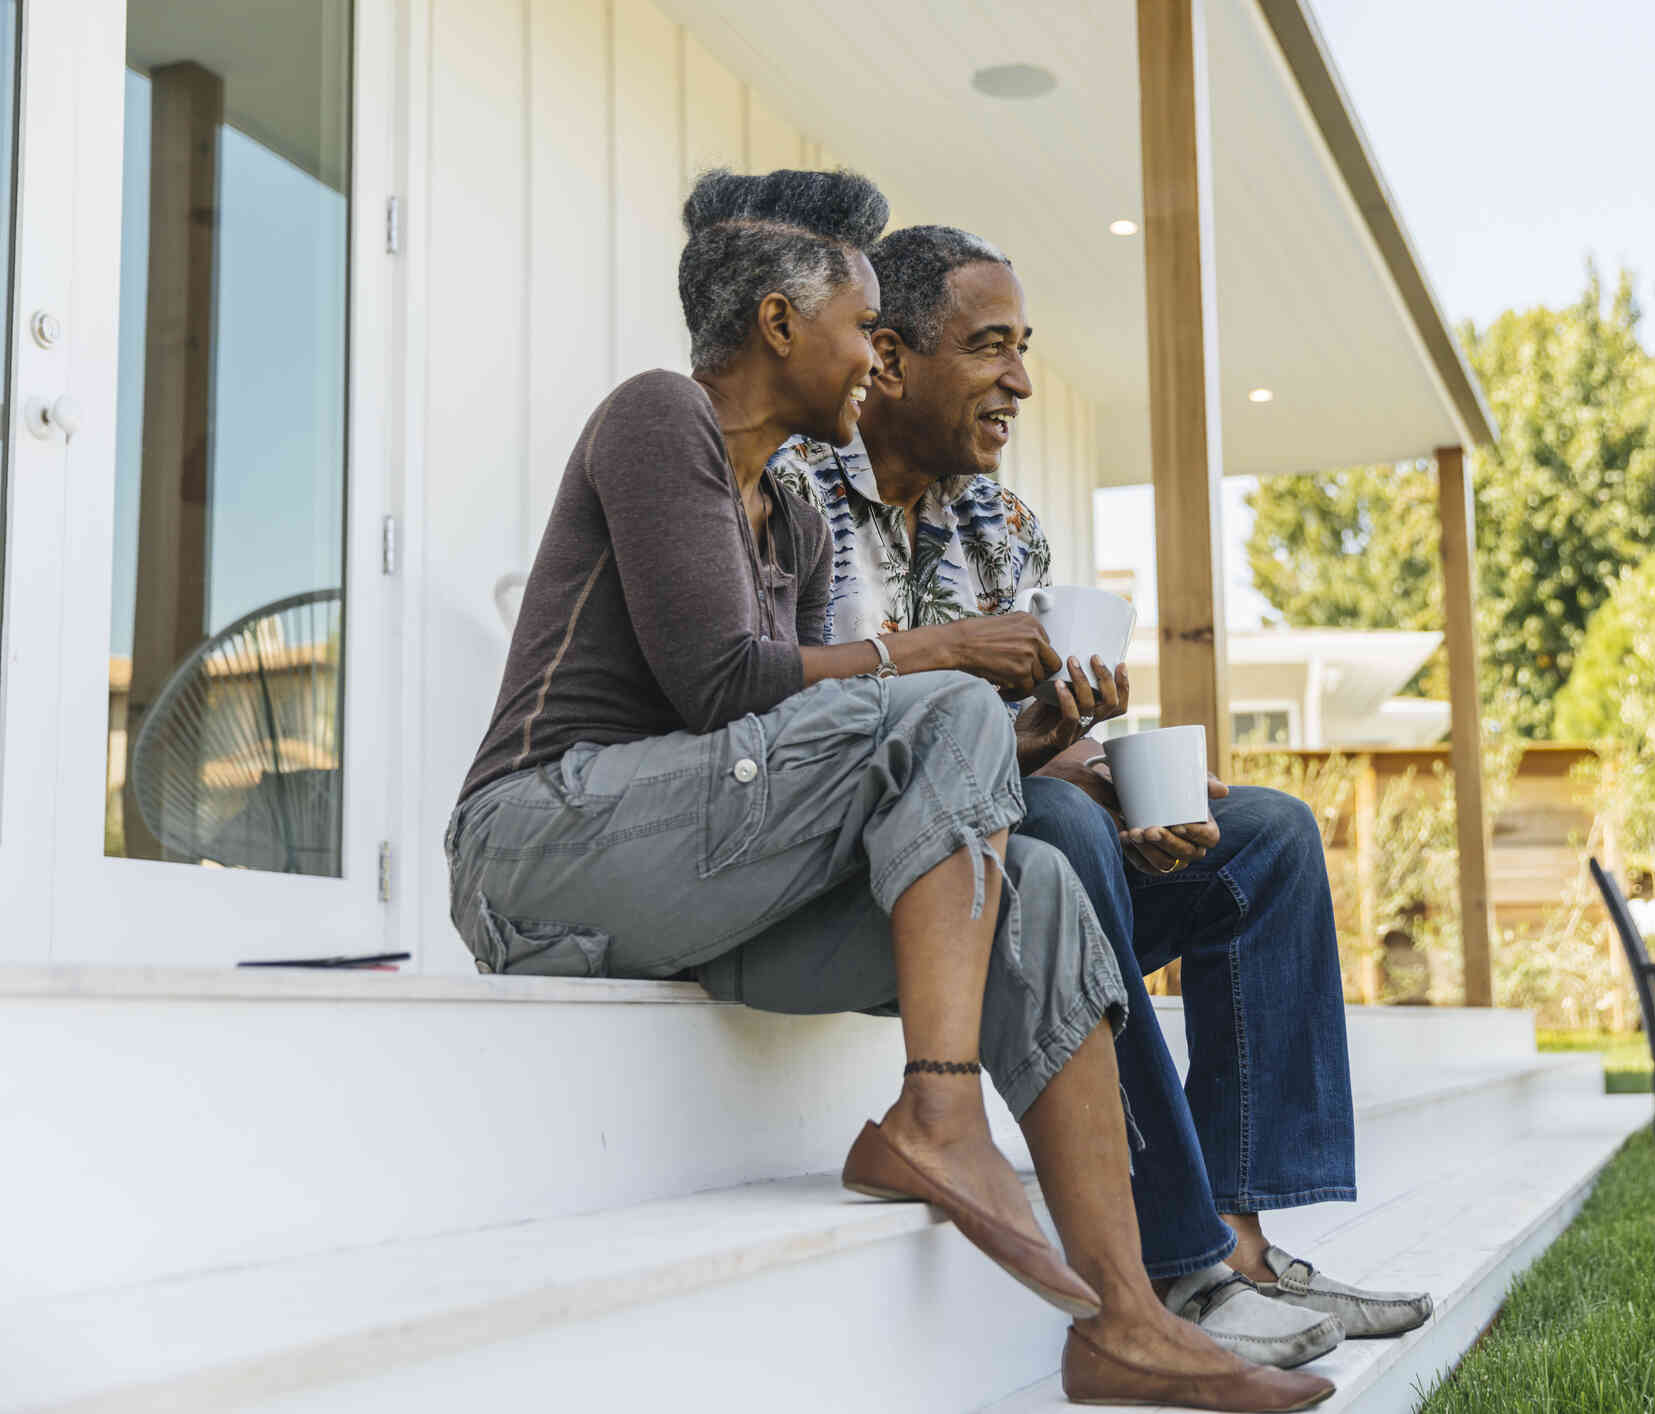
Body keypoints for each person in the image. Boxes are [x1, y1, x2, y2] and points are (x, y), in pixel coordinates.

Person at [446, 168, 1330, 1412]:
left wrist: (1025, 736)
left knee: (1032, 893)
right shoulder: (660, 419)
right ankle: (938, 1110)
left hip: (702, 883)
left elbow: (836, 744)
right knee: (952, 702)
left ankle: (1127, 1318)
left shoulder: (794, 530)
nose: (876, 359)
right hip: (538, 848)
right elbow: (721, 685)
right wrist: (956, 654)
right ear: (777, 325)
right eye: (866, 327)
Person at [770, 224, 1435, 1371]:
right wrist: (1055, 776)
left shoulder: (1003, 522)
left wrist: (1113, 771)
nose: (1021, 381)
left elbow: (1028, 751)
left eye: (1023, 349)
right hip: (885, 881)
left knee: (1263, 836)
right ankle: (1175, 1259)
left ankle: (1241, 1236)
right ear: (889, 357)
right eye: (990, 348)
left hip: (1022, 839)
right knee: (1067, 826)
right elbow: (801, 733)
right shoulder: (793, 497)